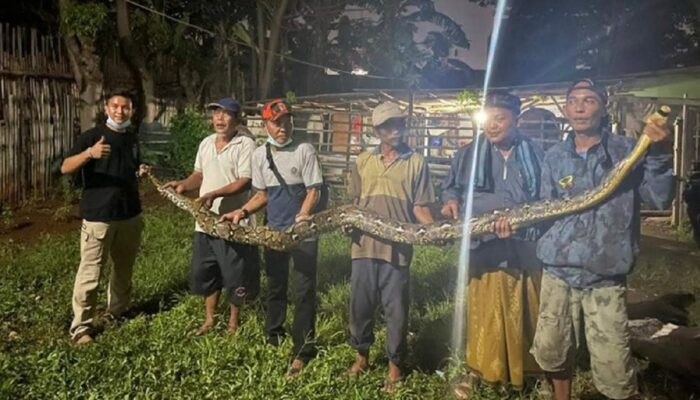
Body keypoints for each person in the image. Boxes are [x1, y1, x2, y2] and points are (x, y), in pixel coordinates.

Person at [530, 79, 673, 400]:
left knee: (614, 364)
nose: (580, 107)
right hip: (558, 270)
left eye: (589, 100)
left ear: (603, 106)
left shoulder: (628, 151)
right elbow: (544, 208)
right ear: (565, 109)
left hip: (605, 273)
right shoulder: (553, 157)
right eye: (573, 101)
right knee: (553, 350)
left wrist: (659, 151)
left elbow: (660, 198)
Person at [441, 91, 545, 396]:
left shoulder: (535, 153)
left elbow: (548, 194)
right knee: (484, 312)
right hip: (484, 248)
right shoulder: (467, 155)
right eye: (488, 119)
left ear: (517, 120)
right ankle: (480, 371)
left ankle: (531, 371)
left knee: (527, 309)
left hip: (525, 249)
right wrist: (449, 203)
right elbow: (450, 189)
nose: (493, 126)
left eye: (500, 118)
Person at [221, 99, 323, 377]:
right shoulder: (259, 155)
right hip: (274, 232)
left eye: (286, 121)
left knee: (303, 291)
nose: (283, 127)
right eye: (277, 122)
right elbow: (262, 195)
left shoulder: (305, 150)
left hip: (303, 235)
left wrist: (303, 215)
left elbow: (314, 190)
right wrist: (241, 211)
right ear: (266, 124)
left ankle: (303, 349)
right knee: (276, 286)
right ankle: (273, 335)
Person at [346, 102, 435, 392]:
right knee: (360, 306)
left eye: (398, 124)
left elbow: (420, 207)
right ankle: (362, 357)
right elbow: (353, 204)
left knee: (396, 309)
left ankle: (395, 366)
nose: (394, 130)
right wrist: (348, 222)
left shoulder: (416, 162)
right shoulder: (362, 161)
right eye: (388, 125)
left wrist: (433, 230)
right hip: (363, 247)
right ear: (377, 131)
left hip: (397, 250)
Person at [161, 97, 260, 336]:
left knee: (235, 275)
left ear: (237, 119)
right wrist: (184, 184)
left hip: (234, 222)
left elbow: (245, 181)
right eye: (216, 113)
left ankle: (234, 323)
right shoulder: (206, 143)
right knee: (207, 272)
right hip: (205, 222)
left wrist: (215, 193)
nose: (220, 118)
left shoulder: (246, 145)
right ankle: (209, 319)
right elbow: (198, 174)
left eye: (226, 114)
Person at [61, 92, 149, 345]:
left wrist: (140, 170)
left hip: (129, 214)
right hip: (99, 216)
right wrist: (90, 153)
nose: (120, 111)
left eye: (125, 107)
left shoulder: (132, 139)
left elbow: (131, 166)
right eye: (115, 106)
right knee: (90, 271)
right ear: (106, 108)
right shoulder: (91, 137)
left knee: (124, 268)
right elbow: (65, 167)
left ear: (131, 110)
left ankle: (117, 312)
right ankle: (81, 327)